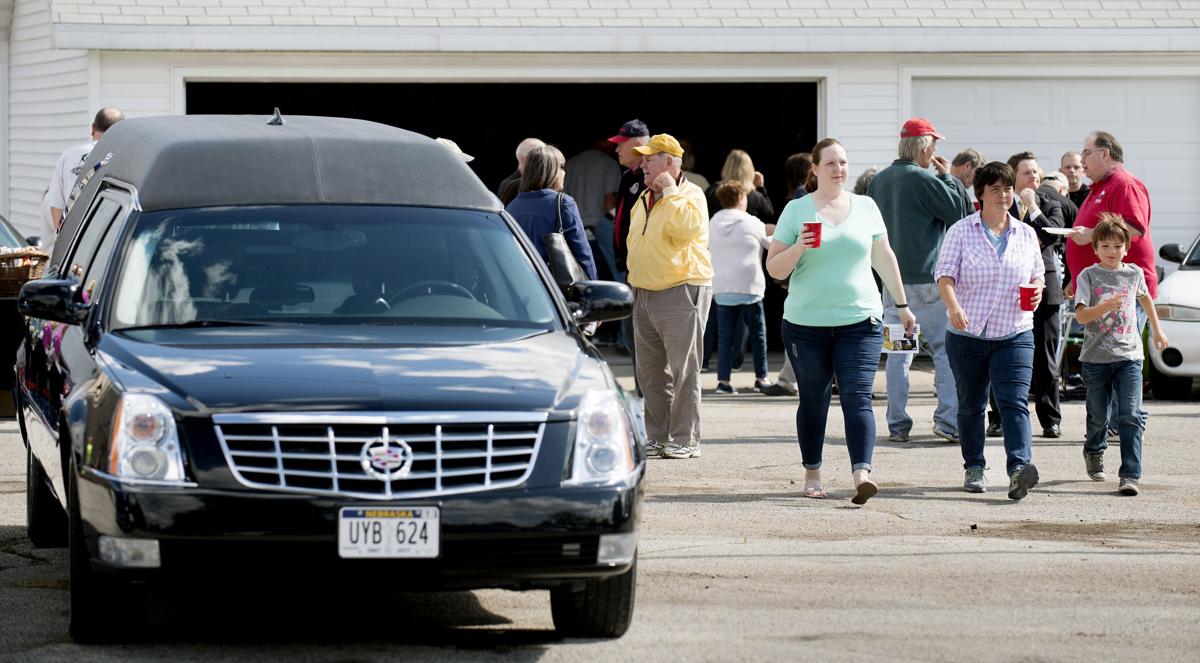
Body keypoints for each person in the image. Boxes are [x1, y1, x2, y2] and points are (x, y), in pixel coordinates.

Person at [766, 138, 916, 505]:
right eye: (830, 163)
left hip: (860, 319)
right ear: (814, 169)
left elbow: (884, 256)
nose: (839, 169)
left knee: (858, 397)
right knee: (814, 400)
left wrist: (902, 304)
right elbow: (774, 268)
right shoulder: (796, 210)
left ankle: (861, 474)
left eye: (844, 162)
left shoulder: (866, 207)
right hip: (806, 323)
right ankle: (813, 472)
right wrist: (799, 246)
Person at [935, 161, 1045, 501]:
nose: (1004, 195)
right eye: (995, 189)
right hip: (968, 334)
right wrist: (953, 307)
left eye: (1008, 188)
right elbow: (945, 275)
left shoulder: (1026, 233)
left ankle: (1018, 469)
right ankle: (974, 465)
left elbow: (1038, 273)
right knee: (971, 404)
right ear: (980, 194)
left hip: (1014, 331)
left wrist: (1038, 288)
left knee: (1014, 403)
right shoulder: (961, 231)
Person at [867, 117, 965, 444]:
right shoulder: (924, 179)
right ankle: (948, 421)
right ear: (924, 148)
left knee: (899, 355)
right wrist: (948, 176)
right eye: (934, 144)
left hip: (892, 283)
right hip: (927, 281)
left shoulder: (877, 182)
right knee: (944, 351)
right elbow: (958, 212)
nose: (936, 150)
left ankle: (897, 424)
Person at [626, 134, 713, 460]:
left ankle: (685, 438)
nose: (643, 163)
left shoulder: (690, 195)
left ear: (671, 163)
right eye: (643, 158)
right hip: (645, 292)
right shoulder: (643, 196)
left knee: (683, 370)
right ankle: (658, 436)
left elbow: (688, 229)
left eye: (650, 158)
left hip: (681, 289)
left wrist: (671, 191)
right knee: (650, 373)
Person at [1065, 131, 1156, 438]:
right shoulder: (1099, 188)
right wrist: (1074, 279)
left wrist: (1090, 234)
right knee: (1108, 356)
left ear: (1105, 153)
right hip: (1097, 287)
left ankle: (1127, 427)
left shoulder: (1124, 183)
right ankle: (1117, 426)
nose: (1082, 159)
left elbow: (1135, 227)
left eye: (1086, 153)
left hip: (1126, 291)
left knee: (1123, 359)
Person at [1073, 214, 1169, 496]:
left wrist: (1158, 330)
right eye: (1105, 246)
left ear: (1126, 248)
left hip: (1129, 356)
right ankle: (1094, 449)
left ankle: (1130, 474)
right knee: (1098, 417)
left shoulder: (1134, 273)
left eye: (1117, 246)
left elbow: (1145, 299)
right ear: (1095, 248)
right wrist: (1105, 307)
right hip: (1095, 358)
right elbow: (1080, 316)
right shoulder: (1088, 276)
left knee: (1130, 415)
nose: (1111, 252)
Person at [986, 152, 1065, 439]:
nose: (1034, 177)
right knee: (1001, 354)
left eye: (1036, 172)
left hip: (1044, 290)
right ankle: (998, 417)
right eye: (1027, 173)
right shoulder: (998, 208)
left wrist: (1032, 206)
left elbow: (1051, 236)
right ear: (1013, 177)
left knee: (1045, 359)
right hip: (1005, 292)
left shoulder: (1050, 204)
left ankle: (1049, 418)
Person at [709, 180, 774, 395]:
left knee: (725, 338)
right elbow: (771, 244)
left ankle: (723, 382)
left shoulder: (713, 222)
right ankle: (761, 377)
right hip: (749, 288)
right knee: (758, 335)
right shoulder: (751, 222)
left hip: (722, 287)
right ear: (741, 198)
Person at [505, 145, 597, 281]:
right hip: (554, 292)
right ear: (552, 170)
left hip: (521, 286)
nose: (564, 172)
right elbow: (582, 253)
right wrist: (593, 286)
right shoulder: (562, 203)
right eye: (562, 167)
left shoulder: (511, 207)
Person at [610, 119, 651, 371]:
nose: (616, 150)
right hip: (627, 266)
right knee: (632, 332)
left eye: (620, 144)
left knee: (642, 334)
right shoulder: (627, 178)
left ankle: (647, 393)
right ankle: (642, 390)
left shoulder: (652, 178)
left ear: (637, 145)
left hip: (645, 268)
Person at [48, 107, 124, 231]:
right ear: (121, 131)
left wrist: (63, 240)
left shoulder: (68, 156)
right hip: (109, 237)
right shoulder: (126, 157)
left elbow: (56, 207)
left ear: (93, 128)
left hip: (74, 240)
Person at [564, 139, 621, 278]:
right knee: (615, 277)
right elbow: (610, 201)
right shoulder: (609, 164)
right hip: (600, 230)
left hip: (575, 230)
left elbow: (563, 198)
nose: (615, 147)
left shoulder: (570, 164)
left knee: (584, 279)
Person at [706, 149, 775, 224]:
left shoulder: (712, 191)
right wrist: (761, 188)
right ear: (749, 170)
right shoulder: (755, 197)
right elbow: (770, 216)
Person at [497, 137, 545, 206]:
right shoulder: (509, 186)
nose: (545, 162)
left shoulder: (542, 180)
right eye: (541, 158)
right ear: (525, 160)